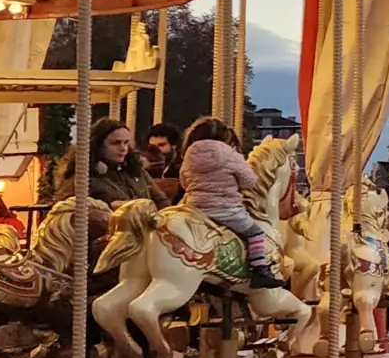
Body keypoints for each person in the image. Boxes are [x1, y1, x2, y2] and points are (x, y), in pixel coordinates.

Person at [180, 117, 287, 287]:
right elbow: (249, 181)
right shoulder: (231, 154)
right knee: (255, 233)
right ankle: (260, 269)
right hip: (226, 209)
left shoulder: (189, 154)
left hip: (195, 208)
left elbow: (184, 180)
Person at [69, 117, 156, 206]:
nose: (123, 148)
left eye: (126, 142)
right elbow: (68, 208)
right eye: (116, 143)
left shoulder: (136, 171)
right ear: (98, 145)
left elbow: (160, 200)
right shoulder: (83, 177)